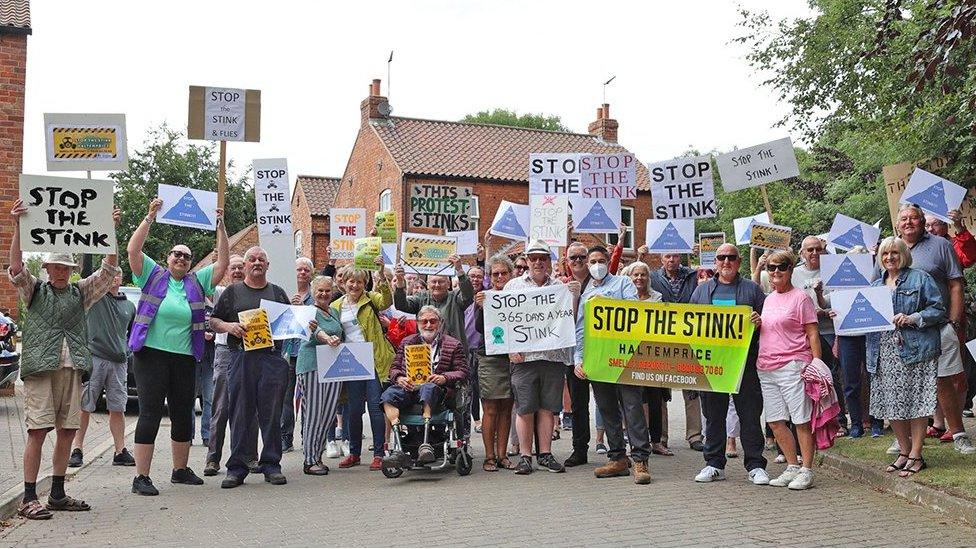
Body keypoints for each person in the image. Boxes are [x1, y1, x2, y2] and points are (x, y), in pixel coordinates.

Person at [9, 199, 121, 520]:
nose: (59, 272)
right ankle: (29, 497)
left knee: (68, 431)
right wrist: (18, 227)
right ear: (46, 269)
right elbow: (16, 270)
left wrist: (109, 229)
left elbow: (108, 270)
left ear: (71, 272)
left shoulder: (80, 292)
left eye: (65, 268)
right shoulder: (35, 291)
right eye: (55, 267)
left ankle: (57, 493)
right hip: (40, 369)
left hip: (73, 370)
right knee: (38, 431)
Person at [127, 198, 228, 496]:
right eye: (176, 254)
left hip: (185, 357)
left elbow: (222, 262)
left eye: (186, 256)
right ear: (167, 258)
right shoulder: (151, 275)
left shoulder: (198, 282)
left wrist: (221, 228)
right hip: (151, 356)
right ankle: (141, 477)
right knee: (150, 414)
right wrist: (149, 217)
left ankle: (180, 470)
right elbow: (133, 250)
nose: (181, 259)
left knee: (183, 413)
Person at [863, 236, 945, 476]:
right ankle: (904, 452)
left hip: (914, 348)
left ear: (904, 255)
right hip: (882, 350)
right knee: (892, 403)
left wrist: (913, 318)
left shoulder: (920, 278)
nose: (890, 258)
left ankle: (917, 455)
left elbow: (938, 309)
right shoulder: (875, 285)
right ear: (880, 258)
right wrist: (844, 317)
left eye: (895, 253)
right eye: (886, 254)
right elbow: (864, 317)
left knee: (916, 403)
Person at [689, 243, 770, 485]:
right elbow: (689, 328)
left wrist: (760, 321)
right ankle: (714, 463)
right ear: (715, 262)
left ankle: (755, 465)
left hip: (745, 366)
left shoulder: (753, 290)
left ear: (739, 261)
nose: (726, 262)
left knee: (749, 415)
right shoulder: (701, 293)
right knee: (714, 416)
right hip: (713, 366)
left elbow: (770, 325)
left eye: (731, 257)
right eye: (721, 257)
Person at [210, 247, 291, 488]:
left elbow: (290, 322)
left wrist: (305, 322)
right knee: (240, 414)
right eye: (252, 259)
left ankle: (271, 465)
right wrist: (229, 327)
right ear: (244, 265)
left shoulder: (277, 293)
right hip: (241, 358)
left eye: (261, 260)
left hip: (272, 358)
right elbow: (213, 320)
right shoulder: (232, 292)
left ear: (268, 265)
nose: (256, 263)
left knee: (272, 414)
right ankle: (236, 468)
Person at [898, 204, 973, 453]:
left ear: (922, 222)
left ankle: (959, 433)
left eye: (914, 218)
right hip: (905, 330)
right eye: (904, 218)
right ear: (898, 224)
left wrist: (954, 320)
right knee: (907, 383)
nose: (909, 222)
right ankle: (904, 438)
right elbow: (880, 285)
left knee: (945, 381)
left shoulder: (941, 245)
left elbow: (955, 284)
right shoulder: (892, 249)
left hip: (939, 325)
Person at [573, 246, 652, 485]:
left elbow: (634, 312)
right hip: (598, 360)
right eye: (593, 261)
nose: (597, 264)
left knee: (632, 407)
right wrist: (579, 359)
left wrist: (605, 302)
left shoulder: (622, 284)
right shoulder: (585, 291)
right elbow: (580, 328)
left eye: (601, 260)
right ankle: (617, 457)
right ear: (587, 264)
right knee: (607, 409)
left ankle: (640, 459)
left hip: (625, 358)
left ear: (609, 262)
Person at [504, 239, 578, 475]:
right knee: (525, 408)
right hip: (523, 358)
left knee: (548, 408)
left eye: (543, 258)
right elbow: (504, 321)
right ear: (526, 260)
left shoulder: (560, 287)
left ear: (549, 262)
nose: (538, 262)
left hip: (552, 356)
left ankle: (544, 453)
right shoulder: (513, 287)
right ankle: (525, 456)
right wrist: (509, 349)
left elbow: (569, 319)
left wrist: (574, 297)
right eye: (533, 258)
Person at [756, 250, 820, 490]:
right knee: (774, 421)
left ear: (791, 269)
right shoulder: (769, 299)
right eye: (771, 267)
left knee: (801, 419)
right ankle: (792, 465)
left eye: (781, 267)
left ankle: (806, 470)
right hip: (766, 366)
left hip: (793, 364)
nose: (775, 272)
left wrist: (816, 362)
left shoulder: (801, 298)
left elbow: (812, 332)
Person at [382, 306, 468, 466]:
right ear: (418, 323)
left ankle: (426, 445)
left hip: (437, 391)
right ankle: (399, 450)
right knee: (387, 395)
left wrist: (444, 377)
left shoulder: (452, 344)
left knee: (428, 387)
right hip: (409, 388)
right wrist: (399, 377)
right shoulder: (407, 342)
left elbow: (463, 371)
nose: (428, 325)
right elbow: (394, 368)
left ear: (440, 323)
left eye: (433, 321)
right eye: (424, 321)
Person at [69, 273, 136, 469]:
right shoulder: (95, 299)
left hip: (119, 362)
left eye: (118, 273)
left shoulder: (129, 306)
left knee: (118, 407)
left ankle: (120, 451)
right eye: (111, 273)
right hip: (94, 358)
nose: (114, 277)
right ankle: (77, 449)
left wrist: (127, 350)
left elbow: (132, 333)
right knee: (85, 406)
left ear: (121, 278)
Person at [333, 260, 395, 470]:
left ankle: (379, 453)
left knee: (376, 408)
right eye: (351, 281)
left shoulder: (371, 300)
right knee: (353, 409)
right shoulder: (336, 306)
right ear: (344, 283)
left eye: (359, 282)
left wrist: (381, 273)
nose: (355, 286)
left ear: (365, 283)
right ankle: (354, 453)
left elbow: (386, 300)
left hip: (373, 359)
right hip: (351, 361)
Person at [644, 249, 705, 452]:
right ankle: (661, 437)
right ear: (661, 258)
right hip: (662, 339)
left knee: (692, 388)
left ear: (681, 258)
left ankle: (695, 436)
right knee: (661, 391)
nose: (671, 259)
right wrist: (639, 258)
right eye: (667, 256)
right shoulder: (652, 277)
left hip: (689, 338)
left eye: (675, 256)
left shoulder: (692, 275)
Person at [203, 255, 256, 476]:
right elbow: (212, 319)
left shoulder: (252, 292)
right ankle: (213, 459)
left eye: (239, 268)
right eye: (232, 268)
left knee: (248, 407)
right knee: (221, 407)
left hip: (251, 351)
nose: (236, 271)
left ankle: (251, 457)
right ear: (226, 272)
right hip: (225, 352)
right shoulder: (220, 293)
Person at [296, 276, 345, 475]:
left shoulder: (333, 311)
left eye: (327, 290)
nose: (324, 294)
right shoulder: (308, 310)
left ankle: (317, 455)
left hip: (332, 366)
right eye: (320, 291)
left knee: (327, 415)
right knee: (314, 415)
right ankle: (309, 460)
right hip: (312, 365)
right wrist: (327, 339)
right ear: (313, 291)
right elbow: (315, 330)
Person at [621, 261, 670, 456]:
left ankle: (656, 441)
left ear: (649, 278)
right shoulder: (623, 299)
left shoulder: (657, 298)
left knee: (655, 398)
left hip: (653, 354)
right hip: (630, 355)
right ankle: (637, 442)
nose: (639, 278)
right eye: (636, 275)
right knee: (635, 400)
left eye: (643, 275)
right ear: (630, 278)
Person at [474, 255, 516, 471]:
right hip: (490, 357)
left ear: (511, 274)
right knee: (490, 408)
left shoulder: (519, 295)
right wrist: (481, 307)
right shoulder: (484, 297)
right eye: (495, 274)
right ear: (490, 277)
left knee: (507, 408)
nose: (499, 277)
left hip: (513, 358)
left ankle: (502, 455)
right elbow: (480, 329)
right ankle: (489, 456)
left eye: (503, 273)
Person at [393, 254, 474, 354]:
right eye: (434, 282)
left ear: (448, 284)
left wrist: (460, 270)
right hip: (426, 353)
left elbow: (468, 296)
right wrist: (400, 282)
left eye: (441, 282)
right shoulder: (421, 297)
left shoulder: (455, 297)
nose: (437, 285)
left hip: (453, 353)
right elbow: (401, 305)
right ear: (427, 284)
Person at [563, 241, 594, 467]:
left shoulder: (601, 283)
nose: (578, 261)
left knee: (608, 401)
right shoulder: (562, 286)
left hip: (600, 351)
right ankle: (579, 449)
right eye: (573, 258)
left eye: (582, 257)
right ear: (567, 261)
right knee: (578, 403)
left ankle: (617, 450)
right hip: (574, 354)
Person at [281, 257, 314, 454]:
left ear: (311, 274)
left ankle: (306, 436)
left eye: (306, 270)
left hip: (306, 352)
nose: (302, 273)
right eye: (299, 269)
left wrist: (302, 309)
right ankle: (286, 437)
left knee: (308, 398)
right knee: (286, 398)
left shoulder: (314, 297)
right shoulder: (285, 294)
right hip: (287, 352)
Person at [463, 265, 486, 433]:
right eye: (472, 276)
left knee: (481, 387)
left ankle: (481, 420)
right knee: (468, 389)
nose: (475, 279)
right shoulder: (460, 297)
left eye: (479, 276)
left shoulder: (486, 296)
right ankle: (473, 420)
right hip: (464, 348)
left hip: (480, 348)